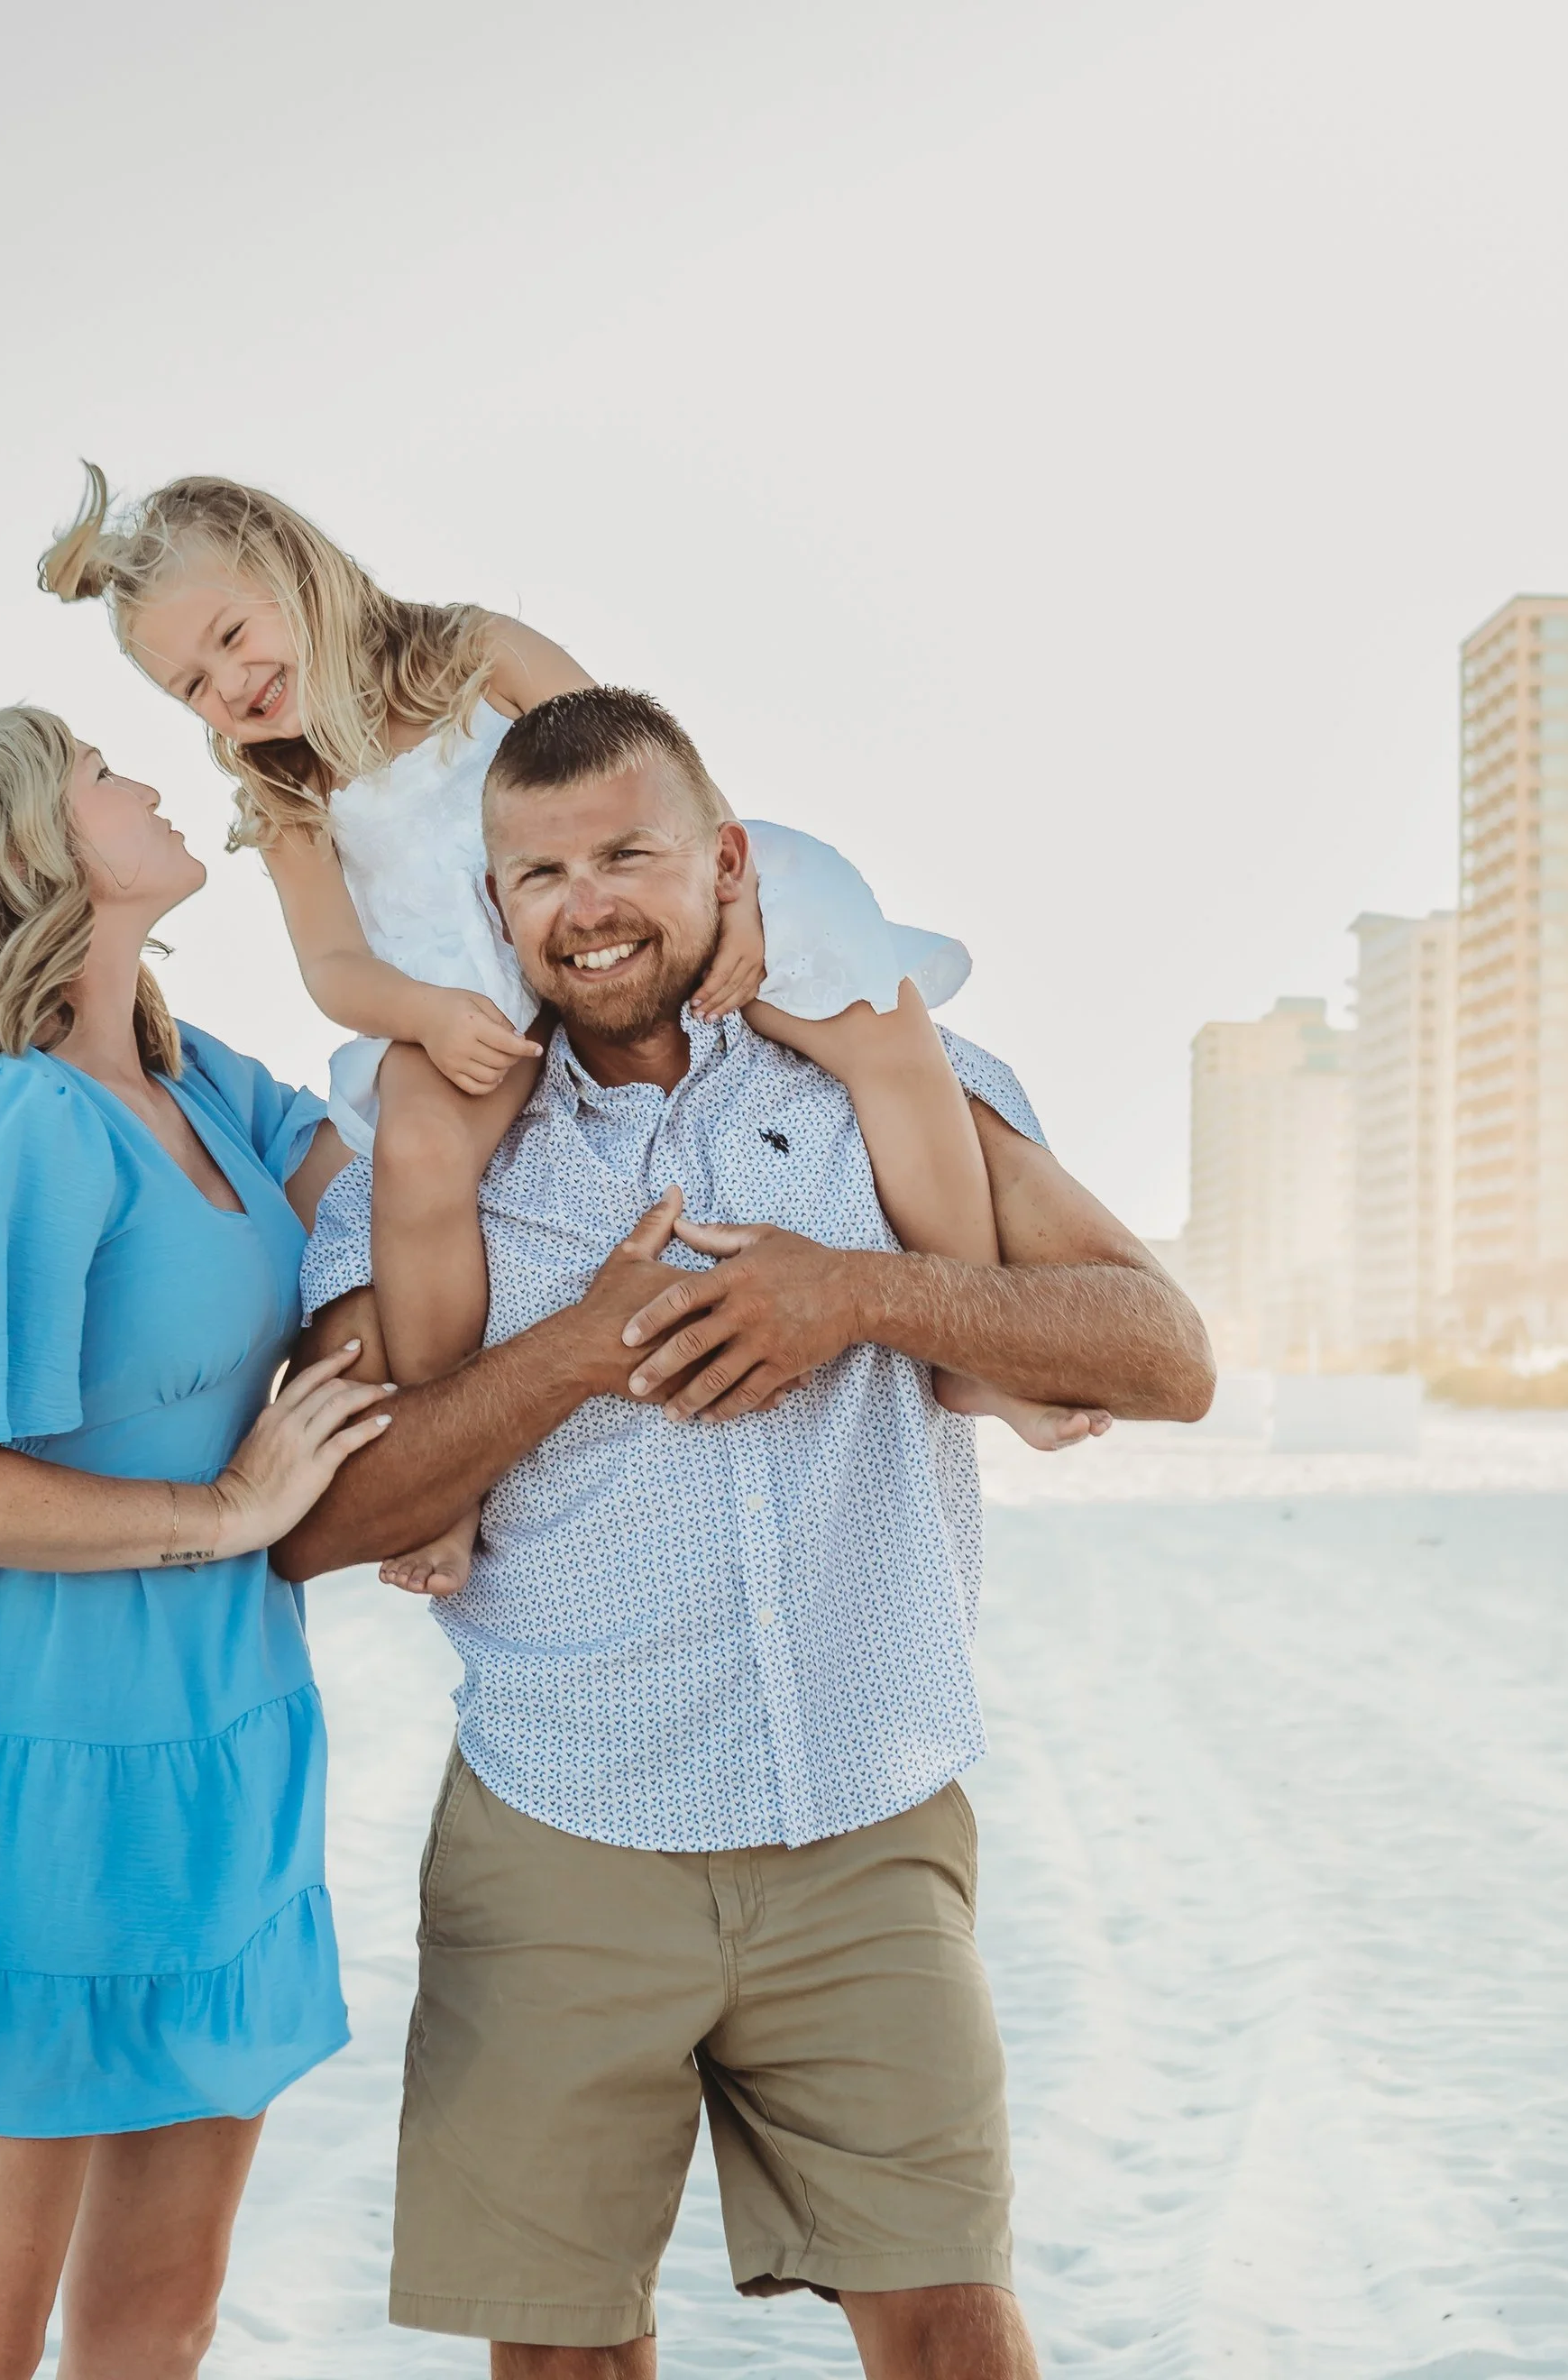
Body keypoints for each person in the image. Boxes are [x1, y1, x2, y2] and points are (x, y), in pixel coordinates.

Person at [275, 688, 1216, 2380]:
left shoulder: (890, 1065)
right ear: (494, 910)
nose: (588, 905)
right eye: (538, 874)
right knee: (563, 2351)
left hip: (867, 1823)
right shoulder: (433, 1147)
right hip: (562, 1831)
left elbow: (1167, 1355)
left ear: (721, 859)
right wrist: (576, 1351)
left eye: (627, 853)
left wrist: (847, 1292)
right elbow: (319, 1518)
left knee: (953, 2331)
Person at [37, 470, 1102, 1599]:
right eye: (189, 684)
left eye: (233, 637)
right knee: (417, 1152)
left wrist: (733, 908)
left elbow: (652, 777)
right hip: (468, 985)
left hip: (632, 902)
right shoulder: (285, 789)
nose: (228, 686)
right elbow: (334, 967)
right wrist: (424, 1015)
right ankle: (454, 1486)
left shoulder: (470, 652)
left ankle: (975, 1342)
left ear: (299, 570)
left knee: (873, 1008)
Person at [0, 707, 392, 2380]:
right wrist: (231, 1508)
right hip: (33, 1769)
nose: (139, 773)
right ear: (32, 848)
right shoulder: (11, 1123)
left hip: (228, 1756)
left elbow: (401, 1187)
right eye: (93, 770)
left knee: (159, 2325)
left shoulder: (210, 1083)